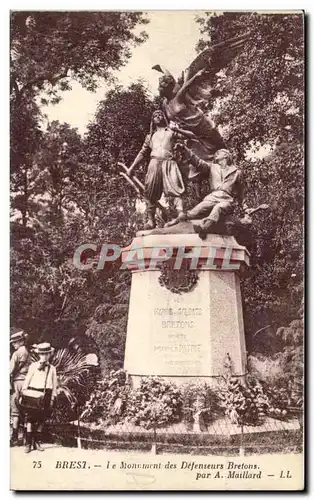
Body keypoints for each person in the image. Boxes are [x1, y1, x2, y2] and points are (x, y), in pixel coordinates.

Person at [168, 145, 252, 238]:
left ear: (226, 156)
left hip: (226, 200)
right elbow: (198, 162)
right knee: (193, 213)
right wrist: (184, 149)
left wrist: (246, 208)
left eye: (218, 153)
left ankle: (204, 228)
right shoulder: (212, 167)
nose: (216, 155)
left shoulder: (237, 172)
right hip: (212, 197)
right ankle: (175, 221)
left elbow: (241, 194)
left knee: (218, 208)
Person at [128, 110, 193, 229]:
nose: (158, 116)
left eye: (160, 115)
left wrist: (177, 129)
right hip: (154, 163)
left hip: (169, 163)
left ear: (164, 118)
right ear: (152, 120)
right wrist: (132, 167)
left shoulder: (171, 132)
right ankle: (151, 221)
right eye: (155, 116)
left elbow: (191, 135)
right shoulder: (150, 136)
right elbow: (142, 153)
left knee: (176, 189)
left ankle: (181, 214)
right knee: (150, 192)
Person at [21, 342, 57, 453]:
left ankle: (37, 442)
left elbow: (54, 384)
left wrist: (53, 397)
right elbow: (27, 379)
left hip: (46, 393)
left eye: (46, 354)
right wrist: (23, 392)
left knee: (42, 419)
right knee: (30, 419)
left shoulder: (52, 368)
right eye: (42, 354)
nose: (44, 356)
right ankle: (28, 443)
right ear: (39, 354)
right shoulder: (33, 366)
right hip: (32, 393)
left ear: (49, 355)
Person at [10, 329, 31, 446]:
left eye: (15, 342)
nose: (13, 344)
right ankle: (26, 439)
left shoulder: (16, 354)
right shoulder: (27, 353)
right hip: (27, 383)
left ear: (20, 341)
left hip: (17, 382)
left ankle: (14, 438)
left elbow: (10, 370)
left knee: (15, 411)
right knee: (27, 411)